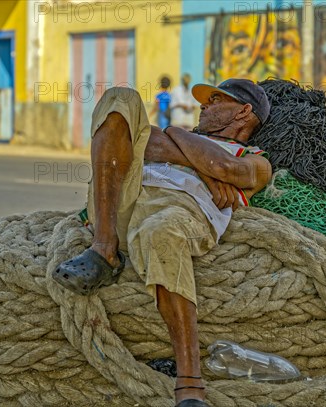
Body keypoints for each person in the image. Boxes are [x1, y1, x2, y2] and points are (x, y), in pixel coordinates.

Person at [52, 79, 272, 407]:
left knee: (161, 232)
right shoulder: (180, 139)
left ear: (244, 111)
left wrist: (178, 136)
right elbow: (142, 144)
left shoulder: (255, 160)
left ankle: (190, 382)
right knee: (120, 98)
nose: (204, 105)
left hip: (178, 211)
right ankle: (104, 249)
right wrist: (202, 163)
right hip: (121, 205)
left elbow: (227, 165)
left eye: (215, 100)